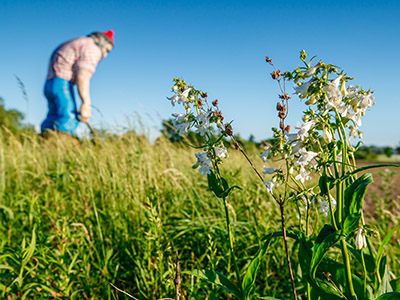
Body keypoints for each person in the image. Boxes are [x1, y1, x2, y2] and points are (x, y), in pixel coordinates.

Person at [40, 30, 114, 136]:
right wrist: (86, 104)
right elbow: (83, 76)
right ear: (102, 40)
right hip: (63, 83)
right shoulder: (93, 48)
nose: (105, 55)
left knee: (53, 117)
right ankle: (60, 148)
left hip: (50, 83)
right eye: (107, 50)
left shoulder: (79, 42)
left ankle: (43, 142)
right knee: (68, 117)